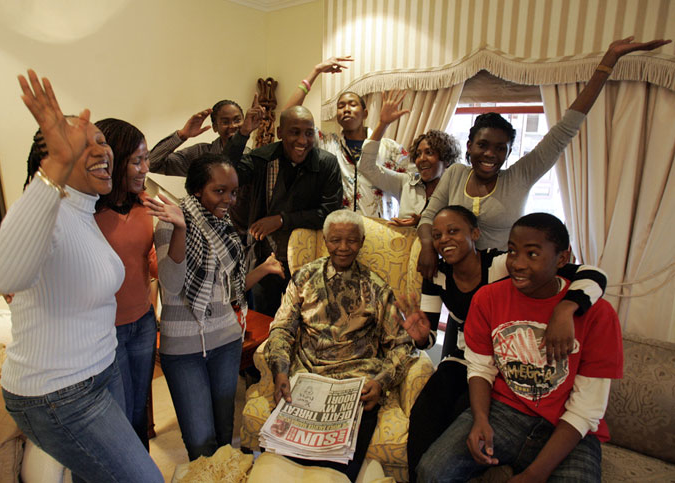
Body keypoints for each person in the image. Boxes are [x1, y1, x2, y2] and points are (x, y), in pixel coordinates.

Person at [0, 70, 163, 482]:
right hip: (58, 393)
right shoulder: (50, 209)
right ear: (56, 156)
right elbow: (0, 273)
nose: (103, 150)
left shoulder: (84, 211)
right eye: (86, 143)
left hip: (100, 371)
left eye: (103, 142)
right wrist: (54, 169)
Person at [417, 36, 672, 278]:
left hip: (503, 278)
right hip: (459, 276)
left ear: (508, 152)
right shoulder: (456, 173)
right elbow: (429, 217)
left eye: (500, 148)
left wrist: (608, 62)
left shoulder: (520, 176)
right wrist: (428, 247)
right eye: (483, 145)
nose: (490, 154)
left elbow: (565, 130)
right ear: (469, 146)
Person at [396, 205, 607, 482]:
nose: (444, 239)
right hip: (468, 356)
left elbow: (590, 273)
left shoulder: (500, 264)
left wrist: (567, 307)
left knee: (463, 408)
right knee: (429, 407)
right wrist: (422, 336)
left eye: (453, 231)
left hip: (503, 364)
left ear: (475, 233)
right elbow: (433, 338)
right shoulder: (438, 274)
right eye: (437, 235)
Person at [146, 153, 284, 460]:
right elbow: (170, 284)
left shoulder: (224, 229)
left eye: (233, 192)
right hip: (183, 349)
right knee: (200, 442)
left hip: (226, 340)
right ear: (198, 190)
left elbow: (231, 291)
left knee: (224, 436)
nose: (228, 199)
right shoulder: (170, 222)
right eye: (219, 191)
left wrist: (263, 269)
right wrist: (181, 229)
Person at [264, 209, 417, 481]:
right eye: (335, 240)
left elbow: (402, 345)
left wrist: (381, 382)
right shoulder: (304, 278)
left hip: (356, 387)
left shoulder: (376, 288)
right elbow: (281, 328)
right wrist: (280, 371)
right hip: (307, 380)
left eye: (352, 241)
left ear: (362, 241)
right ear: (325, 240)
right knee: (280, 465)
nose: (344, 248)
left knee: (335, 473)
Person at [223, 105, 343, 316]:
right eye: (294, 132)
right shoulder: (262, 159)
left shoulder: (327, 164)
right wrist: (243, 134)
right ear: (280, 133)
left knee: (308, 321)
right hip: (267, 260)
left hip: (311, 262)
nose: (303, 141)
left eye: (309, 133)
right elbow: (225, 174)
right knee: (266, 322)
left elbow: (330, 213)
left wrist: (281, 220)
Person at [94, 118, 158, 449]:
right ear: (115, 161)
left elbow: (149, 260)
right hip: (106, 330)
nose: (145, 168)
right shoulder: (86, 211)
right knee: (116, 416)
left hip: (144, 323)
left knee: (137, 413)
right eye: (137, 160)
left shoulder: (144, 203)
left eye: (146, 160)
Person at [284, 57, 410, 218]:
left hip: (380, 233)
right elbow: (288, 118)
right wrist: (316, 71)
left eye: (352, 104)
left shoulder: (391, 149)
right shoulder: (327, 143)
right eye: (341, 106)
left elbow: (411, 187)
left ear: (365, 113)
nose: (346, 109)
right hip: (339, 232)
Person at [148, 98, 253, 232]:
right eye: (225, 122)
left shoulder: (251, 157)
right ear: (215, 127)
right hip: (201, 232)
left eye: (237, 120)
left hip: (239, 236)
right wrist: (182, 135)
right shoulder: (200, 154)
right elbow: (151, 163)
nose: (232, 126)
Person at [358, 90, 461, 227]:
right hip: (405, 246)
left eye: (429, 153)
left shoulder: (456, 188)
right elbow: (366, 167)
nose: (421, 159)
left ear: (446, 159)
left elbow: (460, 225)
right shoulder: (407, 183)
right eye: (418, 154)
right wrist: (383, 124)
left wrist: (424, 222)